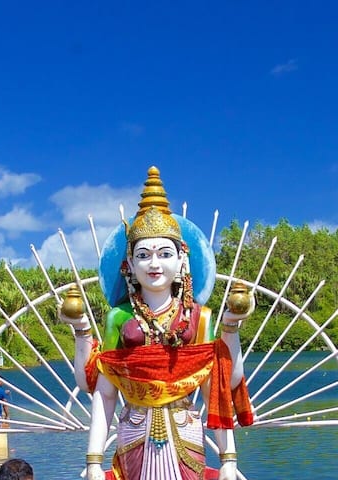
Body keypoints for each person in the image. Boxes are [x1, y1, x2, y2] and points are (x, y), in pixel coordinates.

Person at [62, 167, 255, 480]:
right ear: (130, 265)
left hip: (185, 432)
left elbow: (216, 387)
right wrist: (93, 460)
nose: (154, 264)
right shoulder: (119, 318)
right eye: (144, 255)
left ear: (182, 260)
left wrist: (228, 459)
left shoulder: (198, 317)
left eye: (165, 253)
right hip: (134, 432)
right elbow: (105, 392)